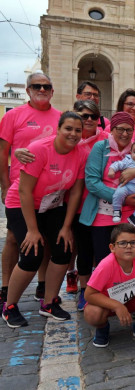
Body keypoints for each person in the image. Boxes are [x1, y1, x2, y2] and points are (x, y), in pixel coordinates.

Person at [2, 111, 88, 328]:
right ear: (58, 129)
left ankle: (49, 303)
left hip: (51, 206)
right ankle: (9, 305)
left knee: (63, 249)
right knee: (32, 254)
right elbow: (24, 191)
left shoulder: (80, 153)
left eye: (78, 130)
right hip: (22, 205)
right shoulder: (39, 149)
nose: (73, 134)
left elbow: (76, 192)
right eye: (68, 128)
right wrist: (32, 230)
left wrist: (67, 227)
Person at [0, 72, 61, 308]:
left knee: (44, 239)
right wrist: (4, 185)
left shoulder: (59, 117)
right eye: (37, 86)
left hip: (50, 191)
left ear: (52, 91)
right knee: (15, 238)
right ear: (28, 90)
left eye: (47, 86)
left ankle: (43, 284)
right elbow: (3, 152)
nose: (42, 90)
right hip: (20, 189)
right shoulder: (14, 115)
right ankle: (6, 287)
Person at [79, 112, 135, 265]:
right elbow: (92, 182)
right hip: (104, 214)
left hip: (134, 214)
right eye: (120, 129)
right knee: (106, 263)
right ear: (112, 129)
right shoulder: (101, 147)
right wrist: (123, 199)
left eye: (129, 130)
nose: (125, 134)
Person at [83, 224, 135, 347]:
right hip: (106, 304)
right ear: (112, 247)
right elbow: (88, 295)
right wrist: (117, 306)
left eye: (133, 243)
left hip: (131, 301)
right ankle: (102, 328)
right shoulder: (106, 266)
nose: (128, 247)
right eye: (122, 243)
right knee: (92, 313)